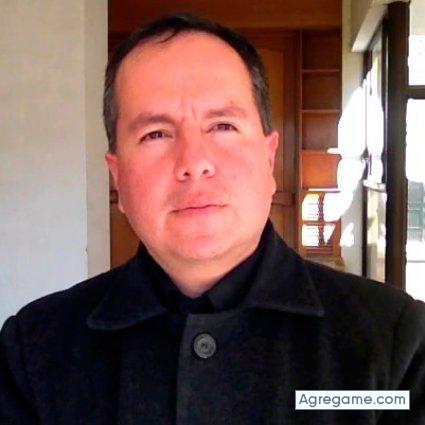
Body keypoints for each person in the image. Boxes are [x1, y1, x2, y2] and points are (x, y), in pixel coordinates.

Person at [1, 13, 424, 425]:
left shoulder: (396, 344)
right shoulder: (33, 352)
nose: (194, 162)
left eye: (222, 126)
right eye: (155, 134)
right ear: (118, 177)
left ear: (269, 159)